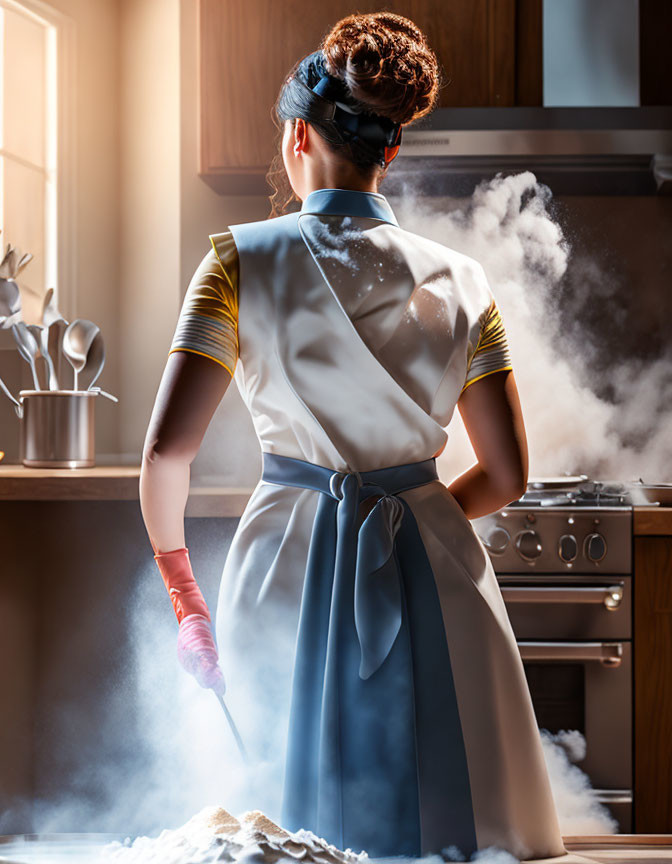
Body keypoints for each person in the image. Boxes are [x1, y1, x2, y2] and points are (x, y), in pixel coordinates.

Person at [139, 12, 583, 864]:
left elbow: (166, 456)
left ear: (297, 135)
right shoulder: (465, 282)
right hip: (432, 556)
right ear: (392, 151)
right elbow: (506, 473)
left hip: (285, 562)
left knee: (271, 839)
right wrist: (415, 515)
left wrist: (186, 600)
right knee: (458, 834)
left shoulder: (237, 263)